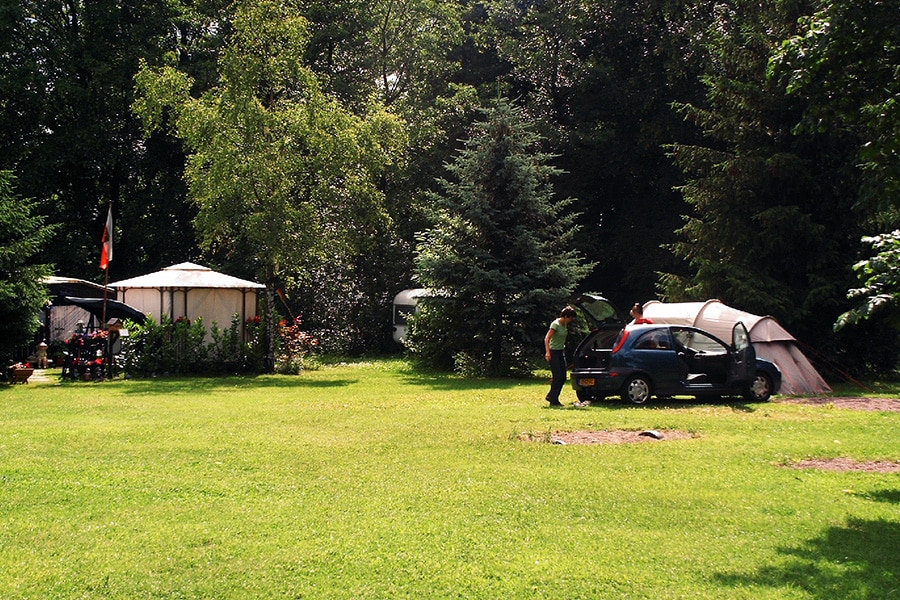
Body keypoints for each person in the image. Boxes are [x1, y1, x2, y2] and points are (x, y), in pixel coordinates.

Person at [544, 306, 577, 407]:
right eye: (571, 318)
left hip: (560, 351)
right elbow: (547, 338)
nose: (572, 320)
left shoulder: (564, 324)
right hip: (553, 352)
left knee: (563, 377)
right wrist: (548, 352)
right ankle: (553, 400)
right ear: (566, 316)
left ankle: (551, 396)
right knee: (557, 376)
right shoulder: (555, 324)